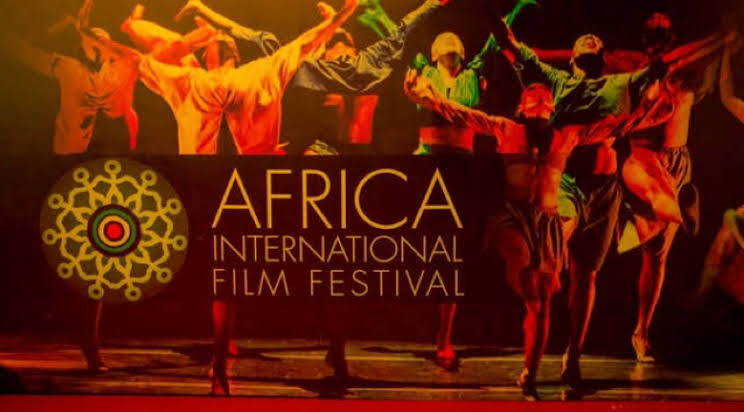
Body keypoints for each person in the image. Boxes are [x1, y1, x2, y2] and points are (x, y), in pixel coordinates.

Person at [404, 69, 672, 399]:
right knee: (530, 280)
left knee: (543, 300)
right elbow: (462, 114)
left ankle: (529, 375)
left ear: (552, 106)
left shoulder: (568, 136)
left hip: (546, 222)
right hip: (513, 219)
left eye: (544, 92)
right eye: (532, 89)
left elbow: (619, 125)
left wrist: (652, 108)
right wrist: (427, 98)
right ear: (522, 104)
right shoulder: (506, 128)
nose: (539, 91)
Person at [0, 0, 139, 154]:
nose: (98, 49)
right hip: (71, 150)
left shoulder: (81, 70)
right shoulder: (79, 70)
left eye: (101, 45)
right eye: (94, 46)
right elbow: (29, 55)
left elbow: (29, 55)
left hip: (84, 148)